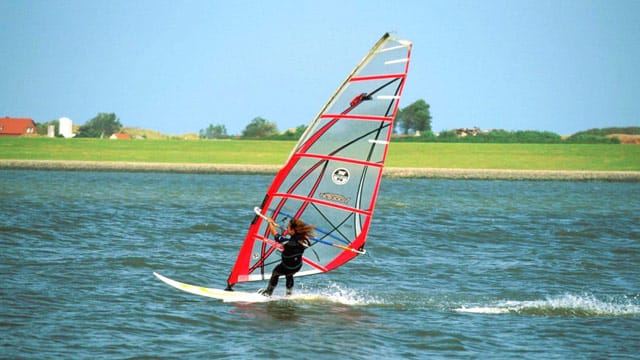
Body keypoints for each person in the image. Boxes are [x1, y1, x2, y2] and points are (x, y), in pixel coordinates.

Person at [258, 218, 314, 297]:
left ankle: (268, 293)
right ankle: (289, 294)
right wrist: (302, 234)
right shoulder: (304, 242)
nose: (286, 229)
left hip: (286, 266)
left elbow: (276, 235)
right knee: (289, 274)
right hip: (297, 266)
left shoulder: (288, 242)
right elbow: (307, 242)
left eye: (288, 227)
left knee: (275, 273)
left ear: (293, 231)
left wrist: (270, 223)